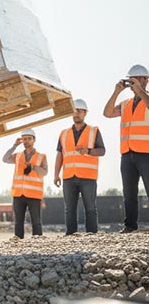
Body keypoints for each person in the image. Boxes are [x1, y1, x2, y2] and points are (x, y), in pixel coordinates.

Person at [103, 64, 149, 233]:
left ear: (146, 80)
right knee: (129, 192)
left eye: (136, 79)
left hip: (146, 153)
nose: (132, 82)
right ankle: (130, 225)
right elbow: (107, 113)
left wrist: (141, 92)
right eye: (130, 79)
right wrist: (116, 92)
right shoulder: (126, 104)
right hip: (127, 153)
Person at [54, 99, 106, 235]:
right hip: (69, 176)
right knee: (69, 209)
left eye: (79, 111)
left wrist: (88, 151)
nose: (76, 113)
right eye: (74, 111)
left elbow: (102, 151)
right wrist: (56, 175)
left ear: (85, 113)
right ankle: (71, 235)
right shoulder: (63, 133)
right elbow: (60, 155)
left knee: (90, 208)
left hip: (88, 177)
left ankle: (91, 234)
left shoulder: (94, 131)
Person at [3, 128, 48, 239]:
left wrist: (33, 167)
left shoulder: (41, 156)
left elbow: (45, 172)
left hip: (34, 194)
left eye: (29, 138)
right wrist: (14, 145)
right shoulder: (18, 156)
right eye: (24, 139)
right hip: (18, 194)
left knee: (36, 221)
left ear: (34, 140)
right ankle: (18, 241)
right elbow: (5, 159)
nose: (26, 141)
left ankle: (37, 240)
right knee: (18, 221)